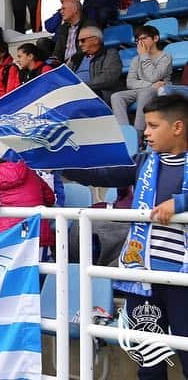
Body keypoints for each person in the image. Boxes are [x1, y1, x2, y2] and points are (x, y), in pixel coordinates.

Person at [63, 95, 188, 379]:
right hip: (143, 279)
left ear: (177, 127)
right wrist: (58, 164)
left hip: (183, 281)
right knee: (148, 360)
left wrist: (180, 203)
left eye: (154, 126)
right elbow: (102, 173)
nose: (145, 132)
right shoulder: (143, 162)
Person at [111, 25, 173, 133]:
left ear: (155, 38)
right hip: (145, 89)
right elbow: (130, 82)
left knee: (145, 93)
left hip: (161, 90)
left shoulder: (165, 57)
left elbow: (153, 76)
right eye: (138, 40)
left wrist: (144, 56)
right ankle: (125, 133)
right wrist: (150, 85)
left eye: (144, 38)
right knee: (116, 96)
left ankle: (138, 133)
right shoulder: (136, 59)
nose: (140, 42)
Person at [68, 26, 124, 104]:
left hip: (98, 92)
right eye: (78, 41)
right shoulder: (76, 57)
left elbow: (109, 78)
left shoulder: (110, 53)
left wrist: (82, 86)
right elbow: (66, 76)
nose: (80, 44)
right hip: (75, 92)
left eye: (83, 40)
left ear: (95, 40)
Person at [51, 0, 93, 65]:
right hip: (65, 66)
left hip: (81, 64)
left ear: (75, 9)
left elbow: (87, 49)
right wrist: (54, 60)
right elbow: (58, 51)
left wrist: (71, 61)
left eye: (64, 9)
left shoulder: (88, 25)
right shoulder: (63, 28)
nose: (61, 12)